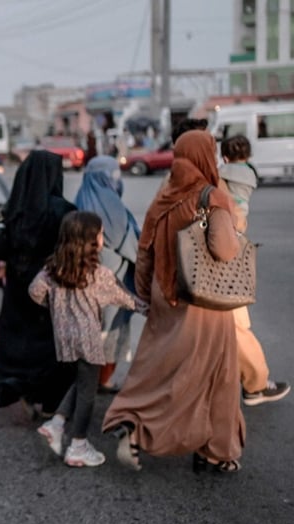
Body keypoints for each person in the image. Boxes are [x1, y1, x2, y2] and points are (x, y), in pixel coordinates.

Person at [102, 130, 244, 474]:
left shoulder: (164, 196)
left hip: (163, 294)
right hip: (202, 303)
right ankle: (214, 450)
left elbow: (145, 251)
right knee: (214, 375)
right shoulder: (211, 196)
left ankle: (132, 418)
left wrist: (146, 295)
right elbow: (224, 249)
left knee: (158, 366)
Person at [31, 212, 146, 467]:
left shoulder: (51, 270)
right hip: (89, 339)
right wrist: (148, 308)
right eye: (101, 234)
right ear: (91, 241)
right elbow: (125, 298)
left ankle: (57, 423)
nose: (103, 238)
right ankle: (78, 444)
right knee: (88, 393)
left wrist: (55, 307)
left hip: (64, 338)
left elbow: (34, 292)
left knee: (82, 380)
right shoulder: (98, 274)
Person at [0, 150, 77, 417]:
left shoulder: (13, 208)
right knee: (51, 344)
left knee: (19, 339)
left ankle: (19, 388)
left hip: (17, 285)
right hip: (52, 287)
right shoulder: (63, 210)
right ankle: (49, 401)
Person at [219, 134, 290, 405]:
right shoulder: (249, 175)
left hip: (222, 255)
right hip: (233, 252)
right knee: (237, 326)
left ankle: (254, 384)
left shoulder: (218, 177)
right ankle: (256, 386)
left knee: (234, 326)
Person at [74, 156, 142, 393]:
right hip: (114, 282)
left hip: (84, 281)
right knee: (111, 330)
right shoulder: (112, 206)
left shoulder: (81, 200)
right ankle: (101, 380)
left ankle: (87, 381)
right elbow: (132, 244)